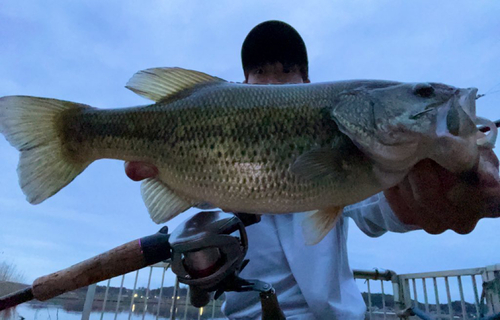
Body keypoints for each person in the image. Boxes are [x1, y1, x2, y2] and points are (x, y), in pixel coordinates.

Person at [125, 20, 500, 319]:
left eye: (287, 72)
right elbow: (187, 200)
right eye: (260, 72)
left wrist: (442, 193)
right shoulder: (218, 157)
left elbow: (383, 206)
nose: (273, 83)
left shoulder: (361, 157)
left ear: (307, 83)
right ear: (243, 85)